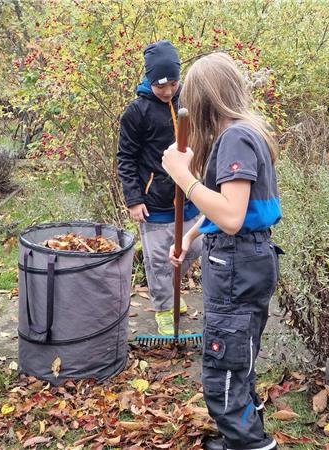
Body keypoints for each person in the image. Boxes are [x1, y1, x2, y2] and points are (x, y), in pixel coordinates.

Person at [162, 52, 282, 450]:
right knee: (239, 353)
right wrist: (190, 237)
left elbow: (231, 216)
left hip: (236, 265)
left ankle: (249, 444)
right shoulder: (246, 133)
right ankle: (244, 434)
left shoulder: (235, 138)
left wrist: (183, 177)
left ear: (204, 101)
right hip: (244, 261)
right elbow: (231, 208)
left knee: (224, 363)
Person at [117, 40, 202, 336]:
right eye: (160, 85)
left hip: (188, 195)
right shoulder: (136, 112)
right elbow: (125, 158)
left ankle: (172, 290)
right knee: (157, 261)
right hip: (153, 202)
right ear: (149, 80)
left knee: (196, 245)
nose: (167, 91)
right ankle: (164, 308)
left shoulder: (187, 103)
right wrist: (133, 199)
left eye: (173, 83)